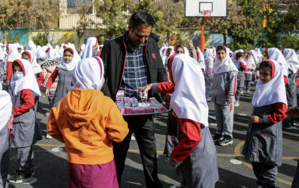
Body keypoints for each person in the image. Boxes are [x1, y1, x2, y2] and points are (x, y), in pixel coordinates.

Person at [100, 11, 168, 188]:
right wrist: (110, 102)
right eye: (140, 35)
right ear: (130, 28)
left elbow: (160, 72)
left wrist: (165, 91)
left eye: (146, 36)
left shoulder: (152, 44)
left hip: (145, 110)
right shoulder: (112, 47)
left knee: (150, 153)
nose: (143, 40)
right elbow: (100, 77)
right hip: (120, 113)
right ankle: (114, 184)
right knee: (118, 154)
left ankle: (153, 184)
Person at [47, 57, 129, 188]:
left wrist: (71, 141)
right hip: (102, 162)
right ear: (95, 77)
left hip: (74, 162)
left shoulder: (64, 102)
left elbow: (52, 129)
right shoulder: (106, 103)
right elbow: (120, 134)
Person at [139, 54, 219, 188]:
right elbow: (174, 86)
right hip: (200, 149)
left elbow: (192, 139)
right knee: (190, 175)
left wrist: (175, 157)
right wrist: (154, 86)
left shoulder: (185, 106)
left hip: (196, 154)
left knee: (197, 180)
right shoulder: (192, 88)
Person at [242, 60, 287, 188]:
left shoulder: (277, 90)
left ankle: (267, 184)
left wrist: (263, 120)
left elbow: (281, 113)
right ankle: (261, 183)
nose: (261, 77)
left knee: (268, 164)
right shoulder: (261, 86)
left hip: (268, 134)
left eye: (266, 74)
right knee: (256, 162)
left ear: (274, 75)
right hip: (257, 133)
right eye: (260, 73)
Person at [8, 59, 41, 185]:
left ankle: (25, 173)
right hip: (24, 122)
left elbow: (29, 103)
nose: (16, 73)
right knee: (25, 148)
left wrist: (15, 111)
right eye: (15, 70)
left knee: (23, 149)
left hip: (23, 123)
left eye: (19, 70)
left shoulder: (25, 86)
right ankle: (27, 170)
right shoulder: (21, 83)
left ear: (26, 71)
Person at [211, 46, 238, 146]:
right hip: (217, 96)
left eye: (223, 53)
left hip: (226, 97)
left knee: (227, 117)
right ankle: (219, 133)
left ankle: (228, 136)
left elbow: (233, 83)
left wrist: (230, 95)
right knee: (219, 116)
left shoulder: (230, 67)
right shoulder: (217, 65)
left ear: (226, 54)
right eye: (219, 53)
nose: (221, 55)